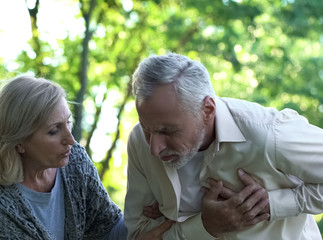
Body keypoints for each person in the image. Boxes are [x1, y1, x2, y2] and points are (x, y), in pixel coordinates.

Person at [124, 53, 323, 239]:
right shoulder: (138, 142)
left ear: (208, 110)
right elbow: (138, 235)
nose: (154, 148)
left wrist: (276, 204)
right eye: (146, 129)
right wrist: (204, 226)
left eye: (168, 131)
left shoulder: (269, 134)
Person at [0, 75, 128, 239]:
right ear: (19, 141)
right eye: (54, 130)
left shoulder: (75, 160)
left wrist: (148, 213)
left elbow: (108, 227)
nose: (71, 140)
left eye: (68, 122)